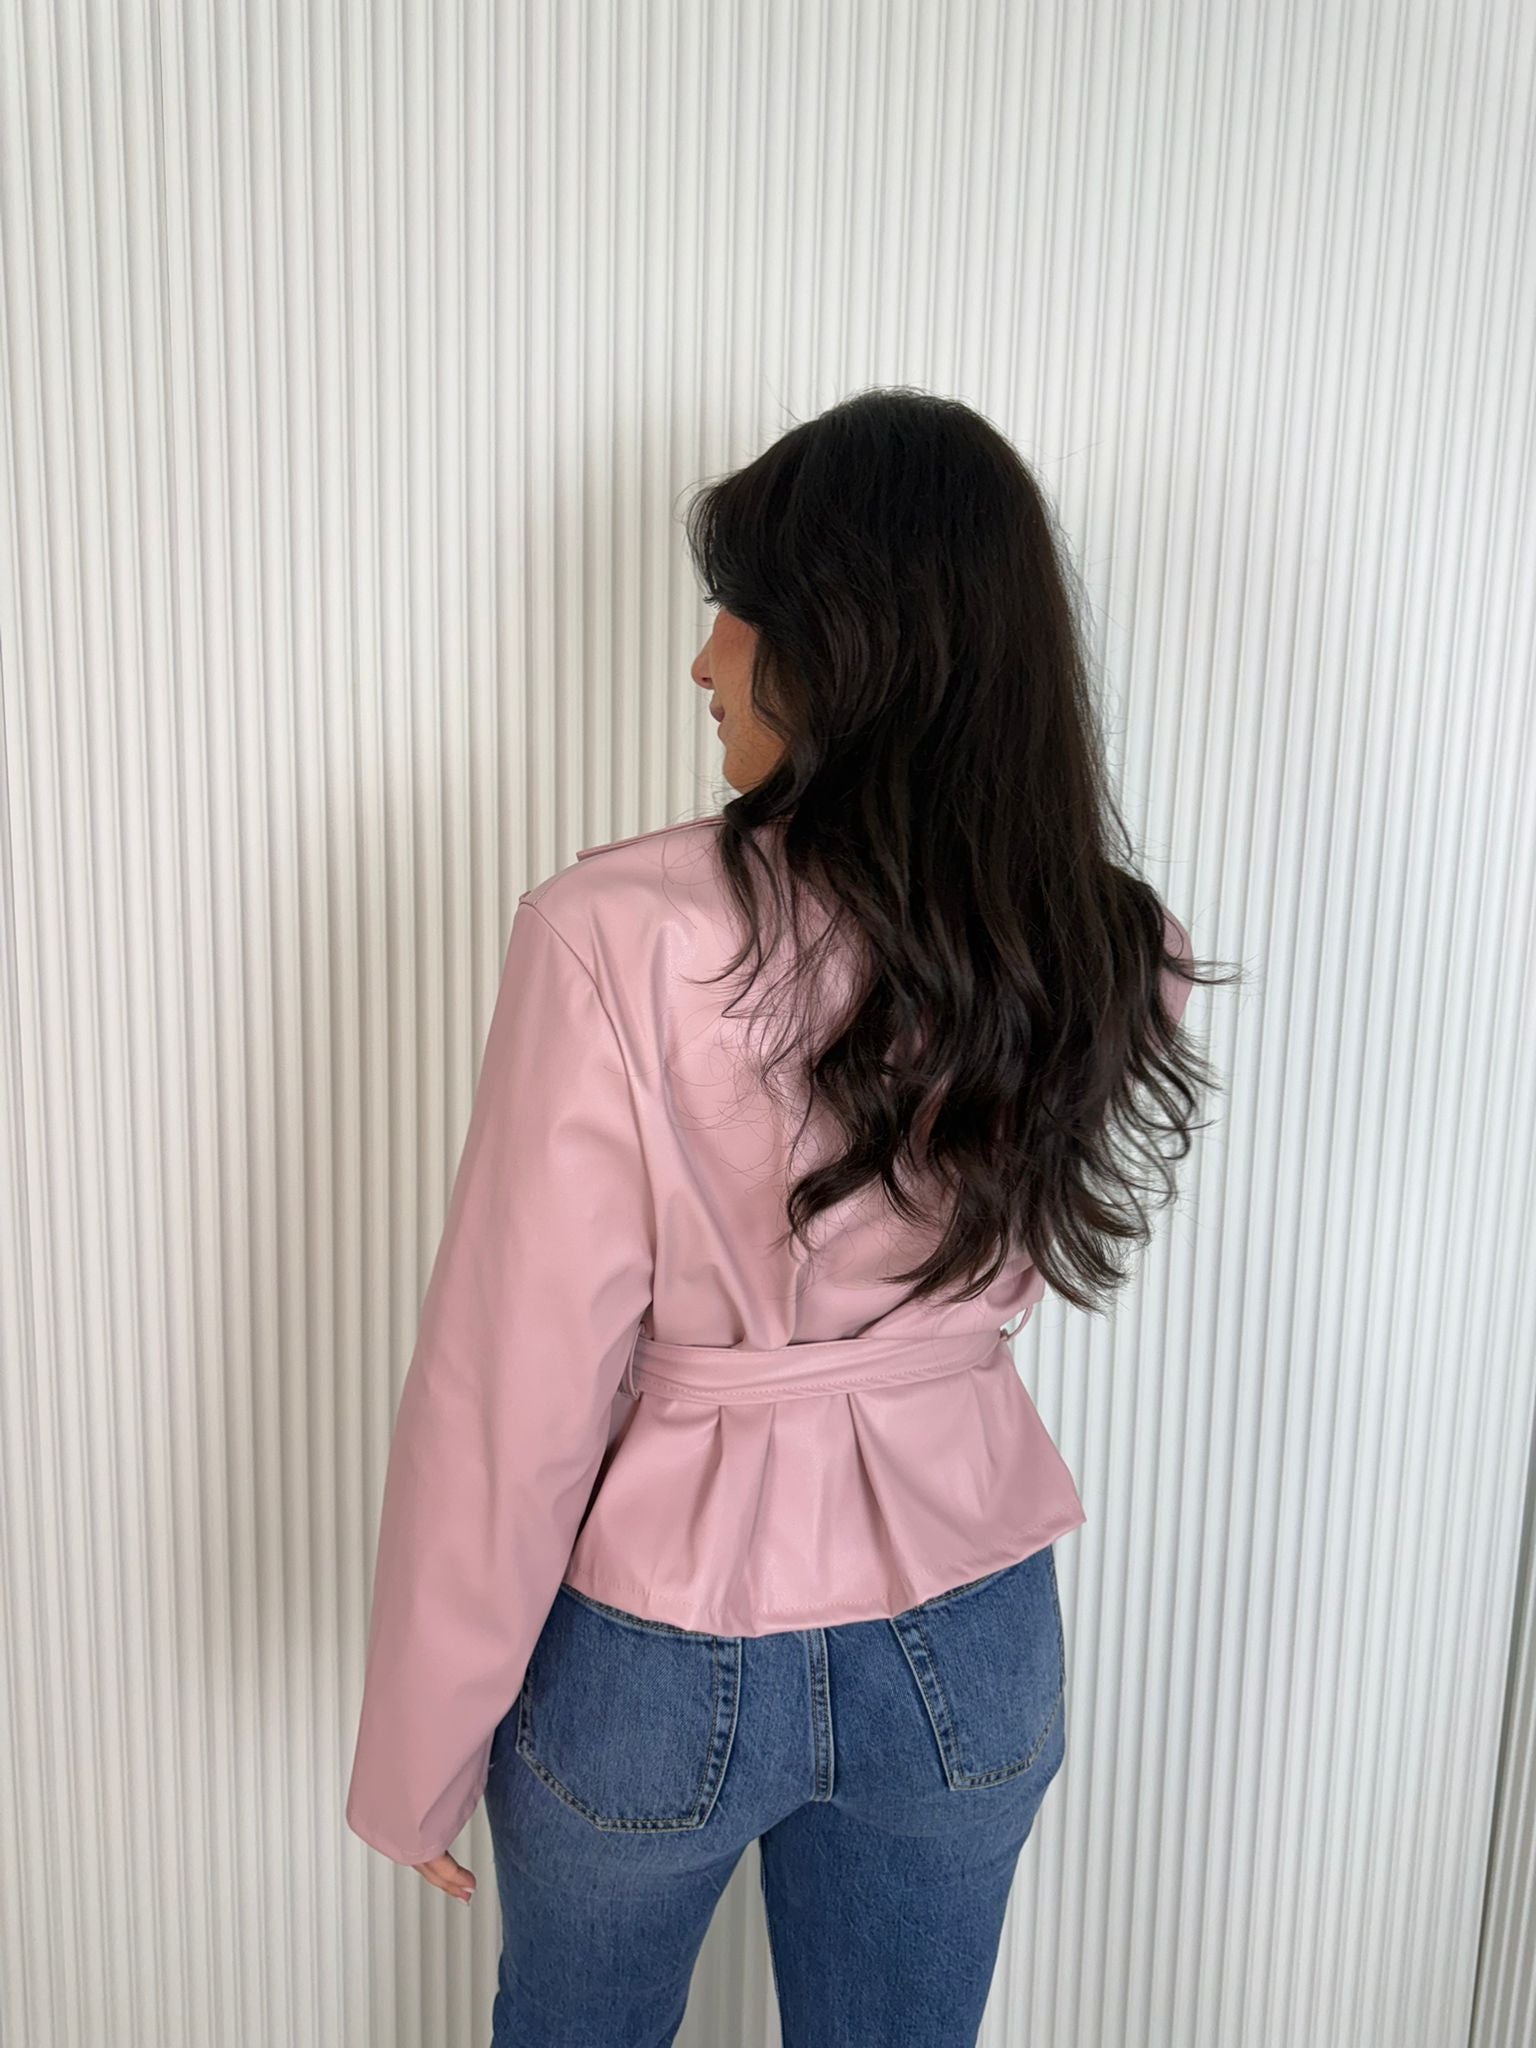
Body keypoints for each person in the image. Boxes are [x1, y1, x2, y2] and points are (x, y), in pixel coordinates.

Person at [345, 388, 1225, 2046]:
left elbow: (511, 1384)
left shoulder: (613, 933)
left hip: (654, 1652)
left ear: (850, 643)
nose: (706, 663)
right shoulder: (1110, 946)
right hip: (973, 1630)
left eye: (738, 611)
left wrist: (419, 1746)